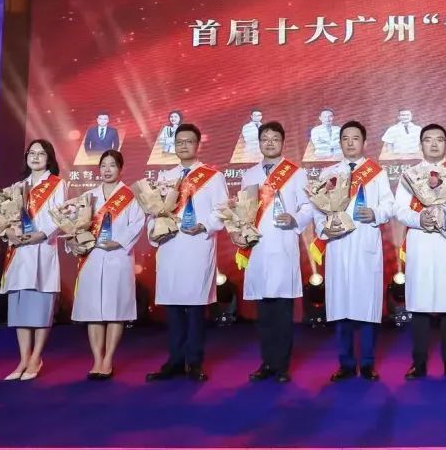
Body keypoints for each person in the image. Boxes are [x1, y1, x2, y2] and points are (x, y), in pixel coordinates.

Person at [393, 123, 446, 379]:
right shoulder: (410, 175)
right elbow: (399, 209)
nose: (434, 144)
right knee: (419, 306)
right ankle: (418, 362)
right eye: (428, 140)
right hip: (421, 242)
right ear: (421, 145)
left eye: (439, 139)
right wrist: (419, 219)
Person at [147, 123, 228, 382]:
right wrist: (154, 231)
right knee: (172, 309)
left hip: (196, 247)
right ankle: (174, 360)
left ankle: (194, 362)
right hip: (170, 247)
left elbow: (222, 211)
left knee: (194, 309)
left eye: (188, 141)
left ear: (197, 144)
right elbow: (154, 212)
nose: (183, 145)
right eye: (179, 141)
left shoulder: (213, 176)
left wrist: (204, 225)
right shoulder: (165, 177)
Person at [315, 121, 393, 381]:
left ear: (364, 142)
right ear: (340, 142)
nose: (350, 143)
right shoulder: (328, 173)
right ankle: (346, 363)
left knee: (367, 307)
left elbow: (389, 205)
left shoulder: (376, 172)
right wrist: (324, 229)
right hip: (338, 245)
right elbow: (317, 209)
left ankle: (368, 363)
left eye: (355, 138)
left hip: (365, 243)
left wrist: (376, 213)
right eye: (345, 138)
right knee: (341, 308)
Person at [238, 121, 313, 383]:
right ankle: (266, 363)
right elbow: (243, 211)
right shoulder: (249, 175)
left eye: (274, 139)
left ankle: (281, 365)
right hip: (257, 248)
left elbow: (308, 207)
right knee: (264, 314)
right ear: (259, 143)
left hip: (282, 247)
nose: (269, 143)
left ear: (282, 142)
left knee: (282, 312)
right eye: (265, 139)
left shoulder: (296, 173)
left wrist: (295, 219)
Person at [71, 150, 145, 380]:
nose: (107, 169)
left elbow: (137, 224)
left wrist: (119, 241)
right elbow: (76, 227)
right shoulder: (89, 197)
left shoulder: (130, 196)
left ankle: (108, 359)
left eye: (112, 165)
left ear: (120, 169)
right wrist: (75, 242)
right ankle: (96, 359)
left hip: (118, 257)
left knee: (115, 311)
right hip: (92, 259)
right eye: (103, 165)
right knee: (93, 311)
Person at [0, 139, 66, 381]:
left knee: (40, 310)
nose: (35, 157)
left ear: (49, 158)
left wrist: (40, 234)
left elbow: (60, 217)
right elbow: (4, 218)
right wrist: (8, 232)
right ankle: (23, 359)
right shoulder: (17, 187)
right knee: (20, 312)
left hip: (41, 249)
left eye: (41, 153)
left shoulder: (57, 184)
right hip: (19, 253)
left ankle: (36, 358)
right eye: (32, 153)